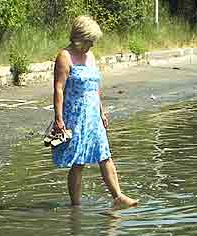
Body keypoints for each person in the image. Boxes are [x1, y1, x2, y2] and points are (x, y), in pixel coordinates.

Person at [52, 16, 138, 208]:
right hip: (75, 116)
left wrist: (101, 111)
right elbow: (58, 89)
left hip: (93, 115)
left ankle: (118, 196)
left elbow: (95, 86)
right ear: (80, 38)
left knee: (104, 154)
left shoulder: (90, 57)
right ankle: (76, 205)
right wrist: (59, 119)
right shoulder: (64, 57)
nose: (92, 45)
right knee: (78, 161)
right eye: (90, 41)